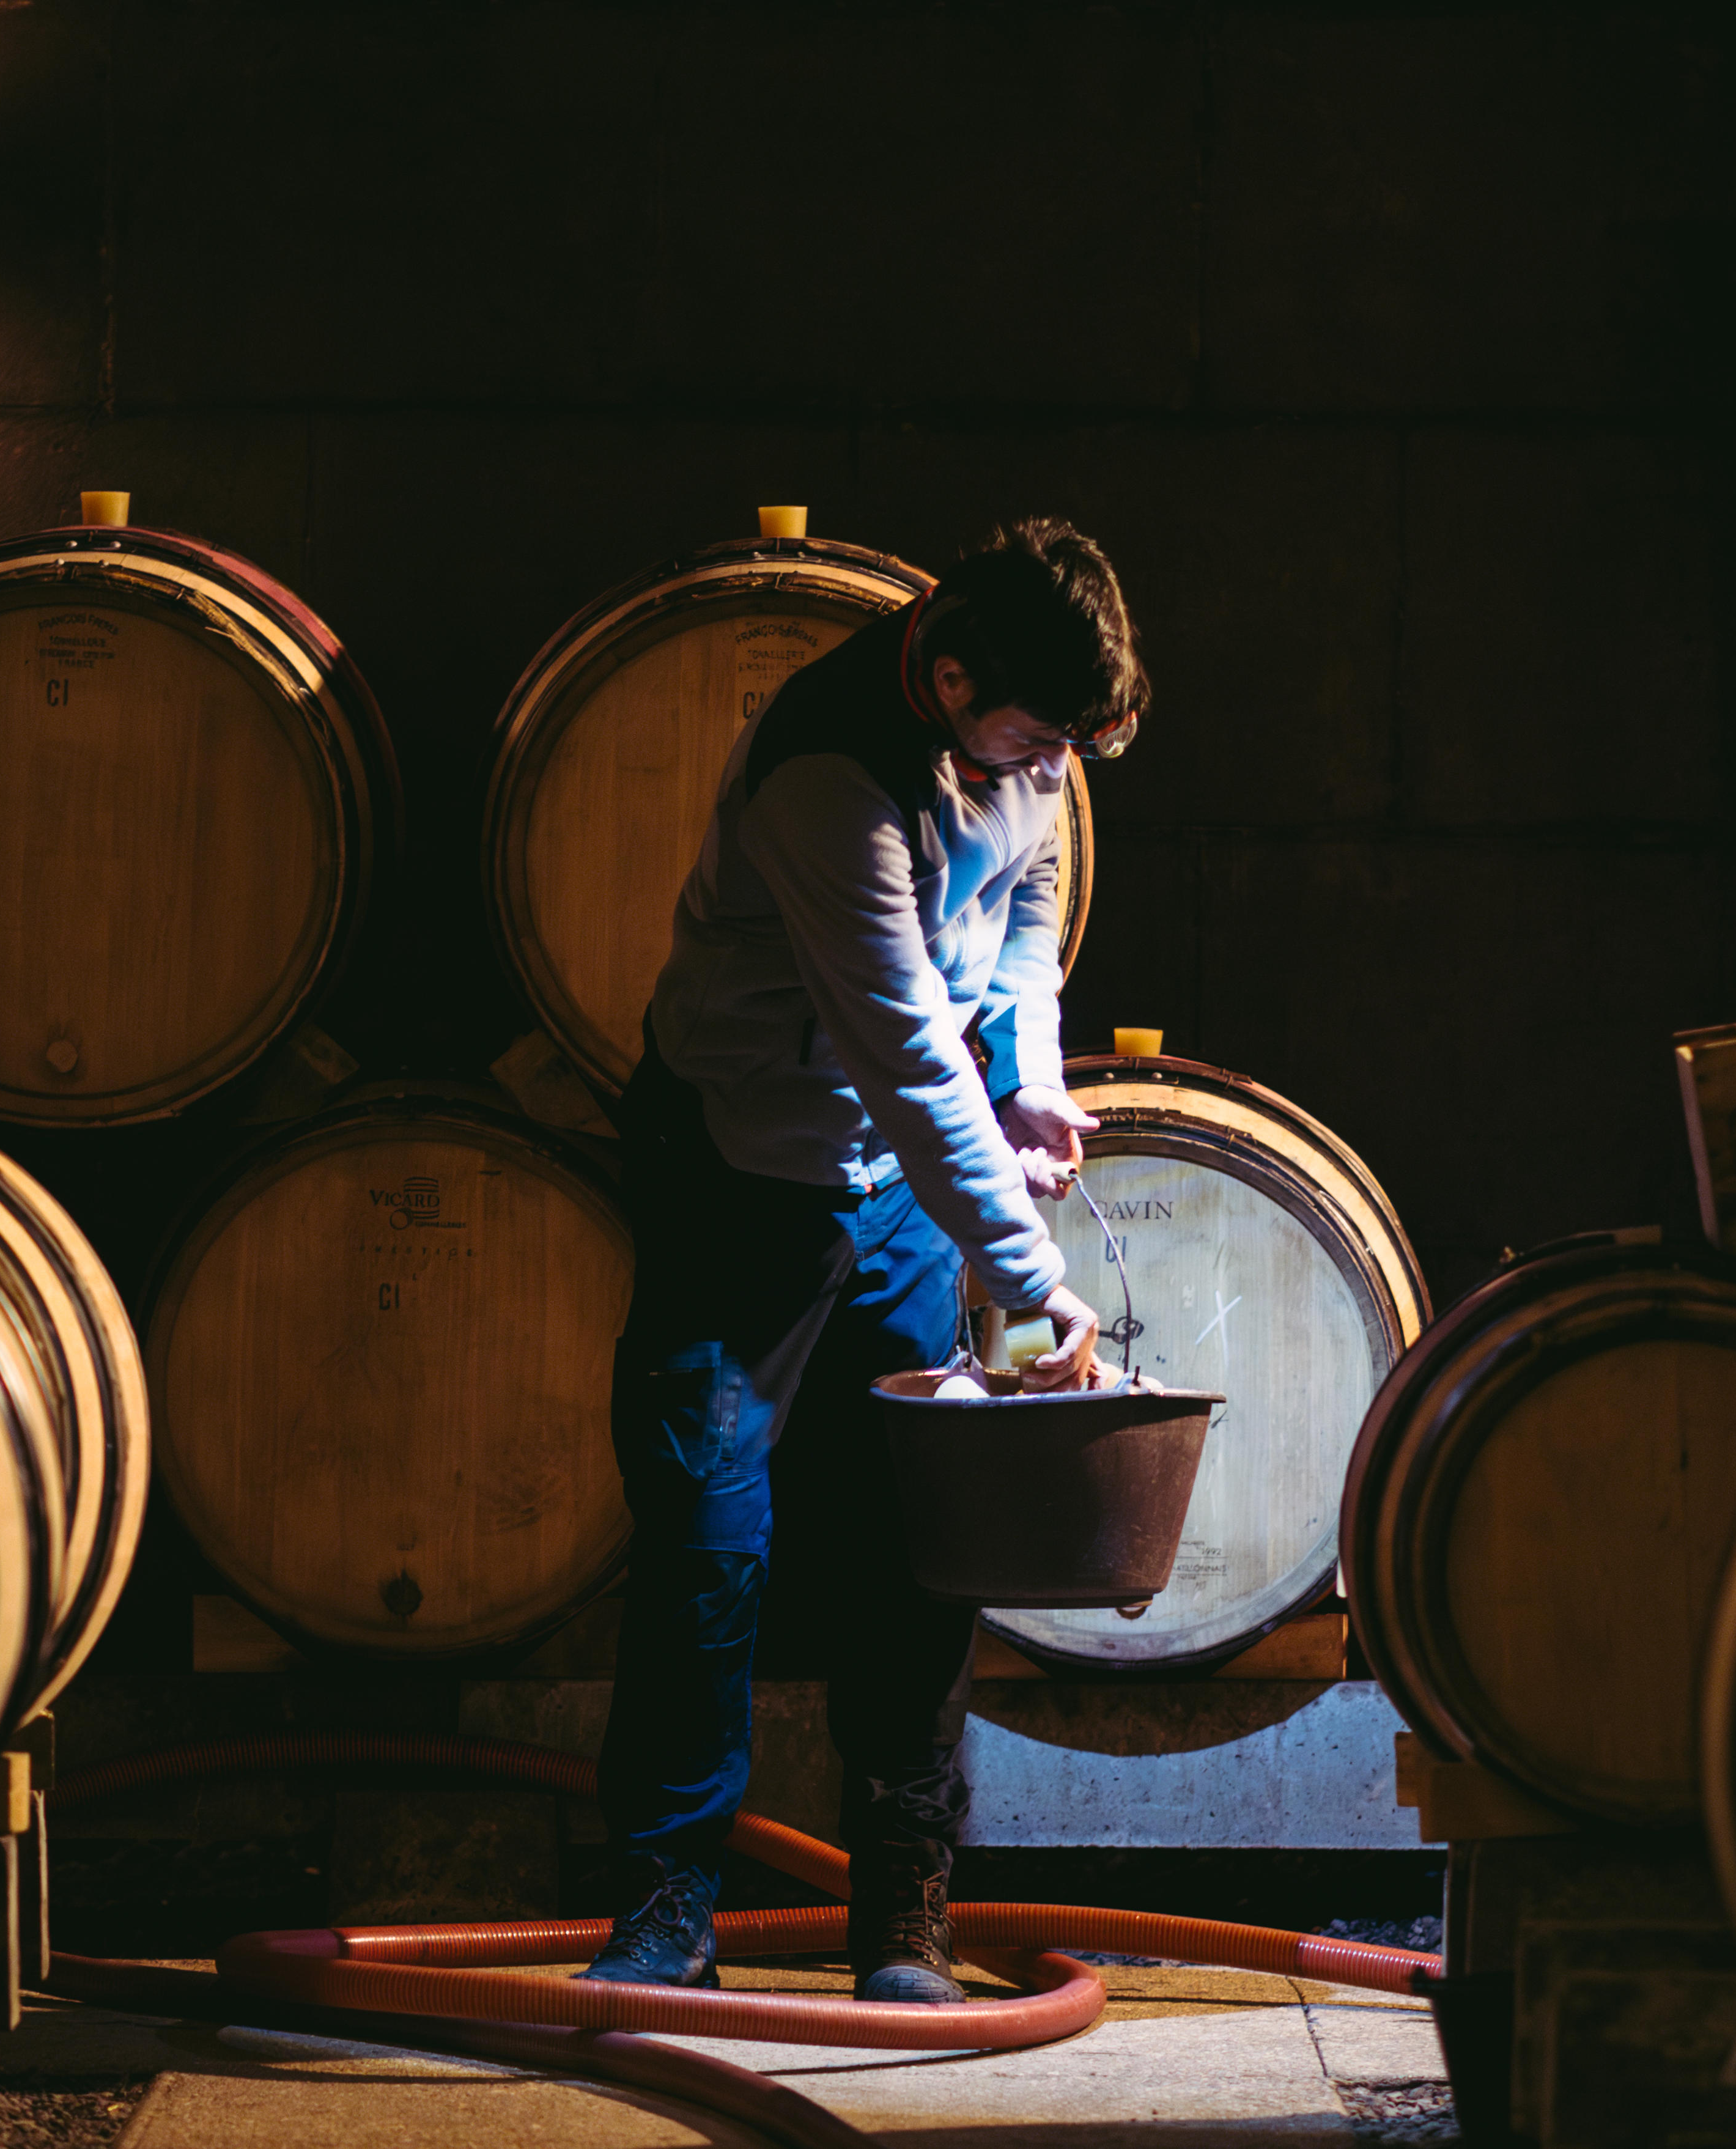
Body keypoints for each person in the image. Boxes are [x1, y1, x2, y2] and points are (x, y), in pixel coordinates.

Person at [582, 517, 1148, 2005]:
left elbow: (1028, 914)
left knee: (920, 1540)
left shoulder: (1030, 737)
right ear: (950, 679)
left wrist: (1025, 1063)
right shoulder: (830, 774)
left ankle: (902, 1912)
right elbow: (902, 1051)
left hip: (892, 1190)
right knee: (712, 1542)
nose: (1047, 769)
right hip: (737, 1171)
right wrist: (1030, 1278)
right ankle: (663, 1910)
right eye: (1030, 738)